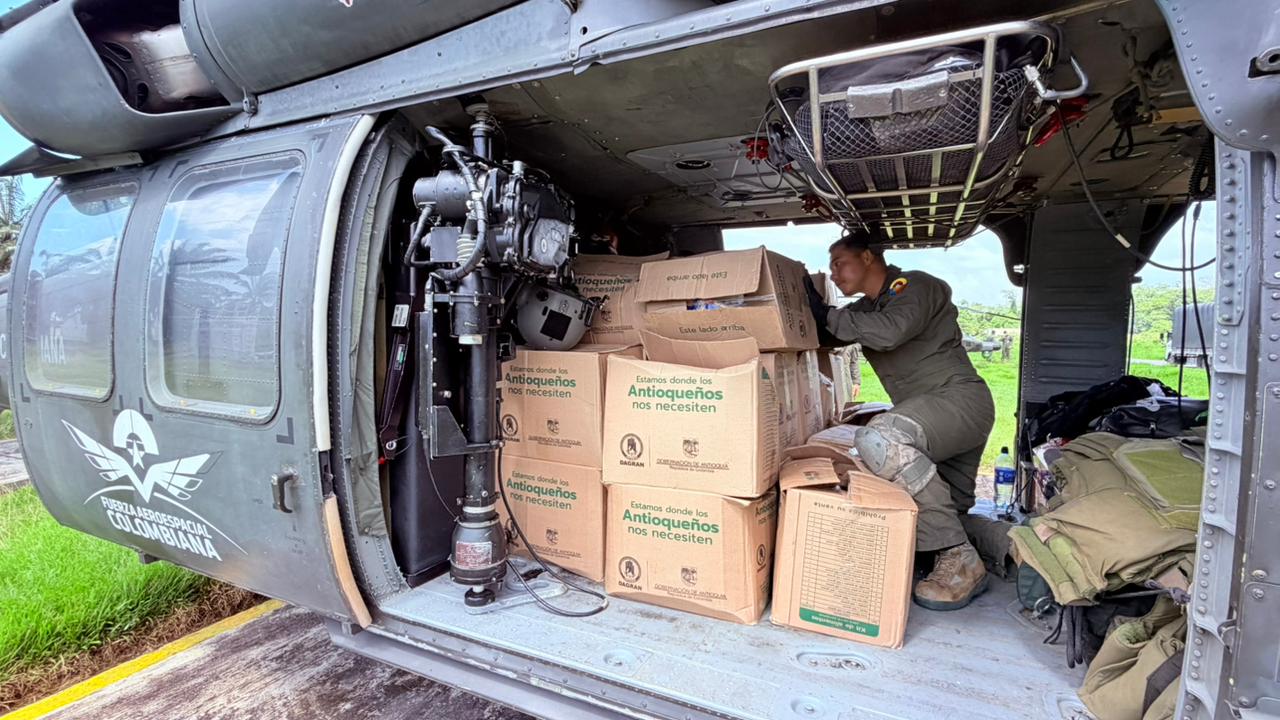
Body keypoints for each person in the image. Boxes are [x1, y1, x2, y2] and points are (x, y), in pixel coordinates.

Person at [804, 227, 995, 611]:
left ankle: (961, 560)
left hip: (957, 401)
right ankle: (1013, 549)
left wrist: (827, 315)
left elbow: (891, 331)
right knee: (945, 513)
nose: (834, 274)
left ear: (868, 257)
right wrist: (801, 311)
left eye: (840, 263)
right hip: (929, 414)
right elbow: (828, 333)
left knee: (882, 440)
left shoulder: (915, 287)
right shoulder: (865, 310)